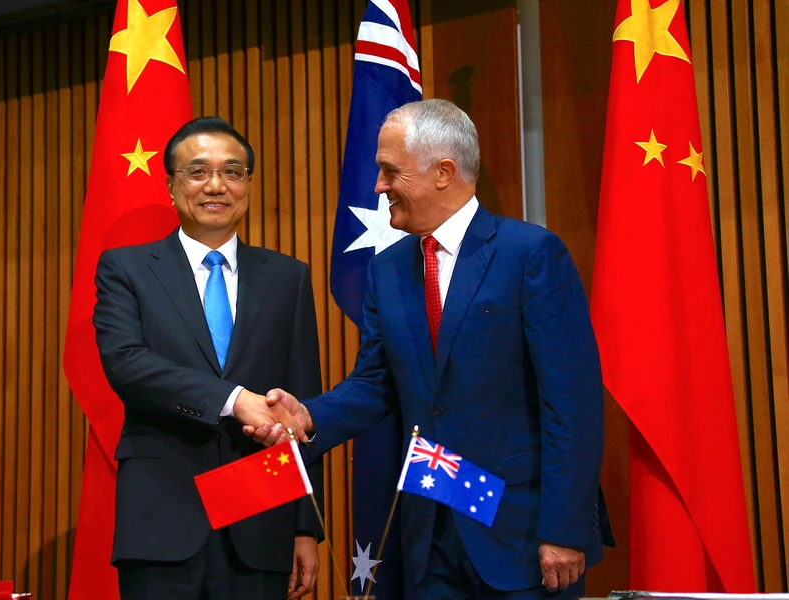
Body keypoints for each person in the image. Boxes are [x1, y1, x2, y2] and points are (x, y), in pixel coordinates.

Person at [245, 99, 612, 599]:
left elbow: (574, 405)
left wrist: (565, 529)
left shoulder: (529, 254)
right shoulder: (388, 269)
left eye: (389, 171)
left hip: (522, 536)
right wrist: (308, 416)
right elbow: (376, 383)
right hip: (426, 536)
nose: (378, 186)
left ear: (444, 172)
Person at [94, 116, 322, 600]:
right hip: (162, 519)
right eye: (197, 171)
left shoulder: (288, 278)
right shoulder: (127, 269)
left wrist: (306, 526)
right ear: (172, 186)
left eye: (233, 172)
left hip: (261, 521)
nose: (216, 185)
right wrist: (234, 399)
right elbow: (126, 365)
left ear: (248, 185)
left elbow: (303, 404)